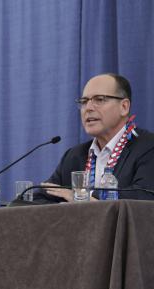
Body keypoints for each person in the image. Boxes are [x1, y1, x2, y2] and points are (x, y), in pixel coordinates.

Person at [39, 73, 154, 202]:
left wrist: (81, 197)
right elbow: (43, 197)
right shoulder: (73, 156)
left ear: (124, 107)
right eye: (84, 102)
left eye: (99, 100)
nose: (88, 108)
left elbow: (144, 198)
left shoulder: (148, 147)